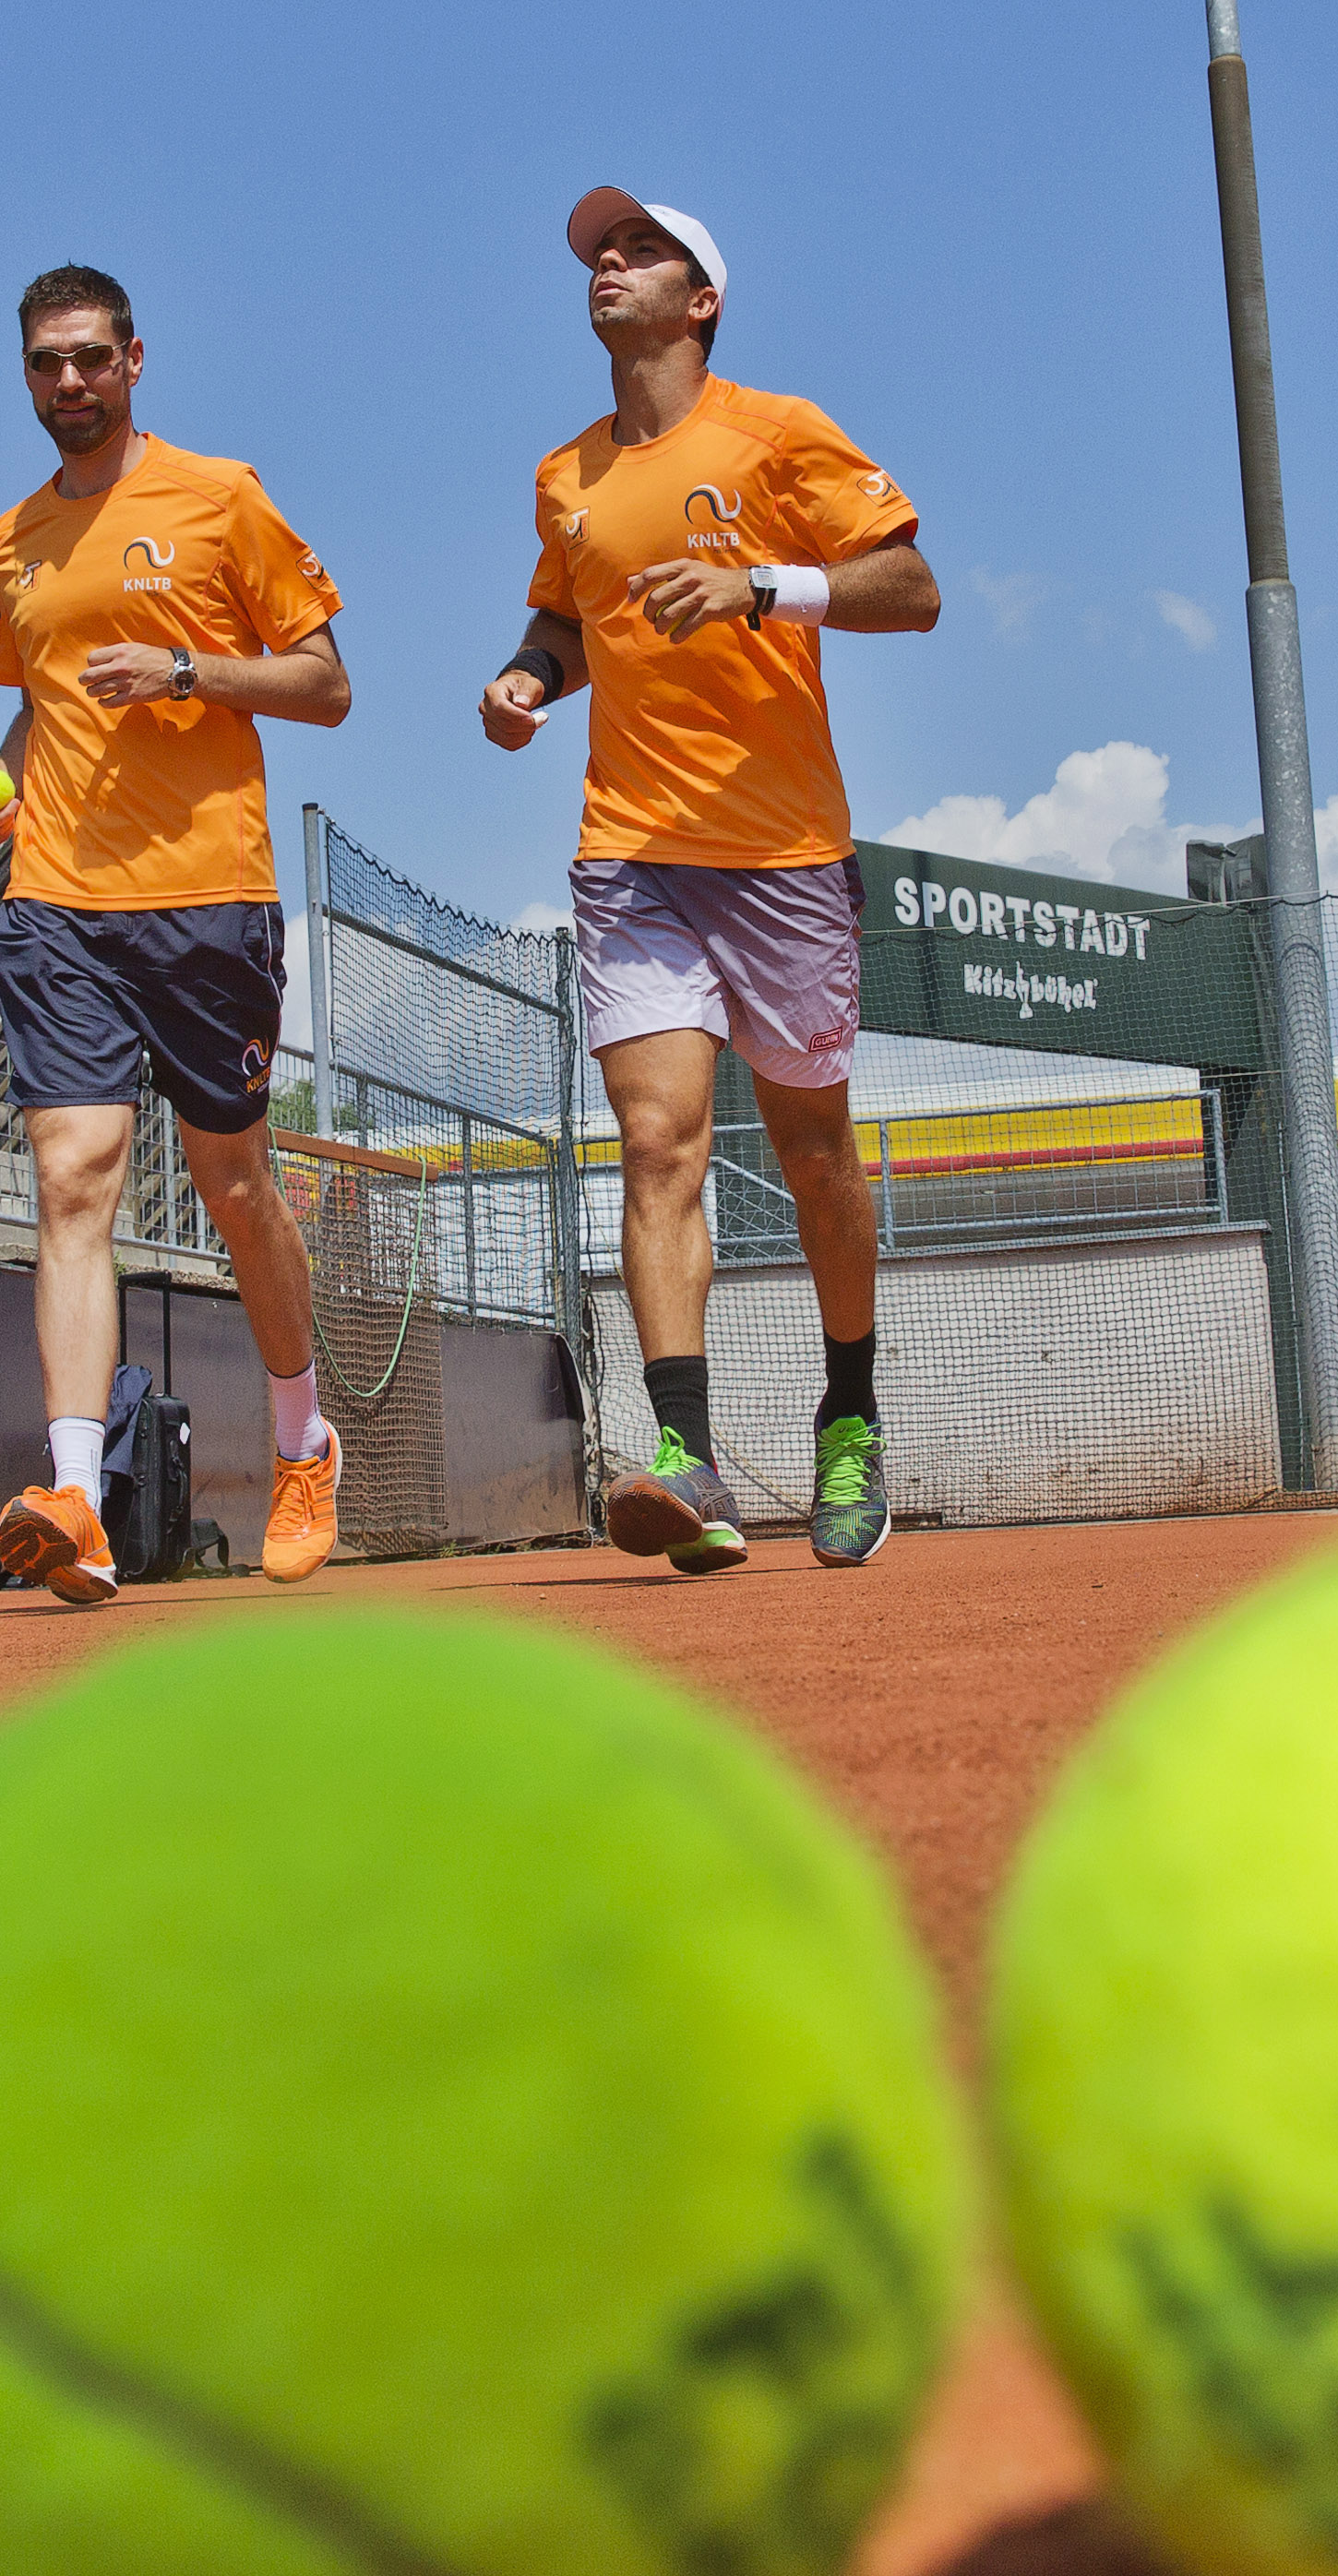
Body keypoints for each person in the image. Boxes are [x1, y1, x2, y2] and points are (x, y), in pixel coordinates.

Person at [479, 189, 940, 1575]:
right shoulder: (565, 474)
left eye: (639, 252)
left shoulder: (778, 431)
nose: (607, 267)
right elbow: (566, 614)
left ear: (703, 299)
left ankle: (848, 1409)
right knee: (659, 1143)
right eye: (594, 256)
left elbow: (907, 587)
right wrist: (526, 678)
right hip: (628, 852)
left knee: (810, 1154)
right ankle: (687, 1457)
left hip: (783, 854)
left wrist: (758, 589)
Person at [0, 264, 354, 1605]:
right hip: (58, 898)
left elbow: (325, 682)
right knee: (74, 1177)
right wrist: (0, 779)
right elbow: (38, 702)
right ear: (24, 377)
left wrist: (187, 669)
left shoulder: (218, 496)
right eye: (42, 364)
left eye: (88, 358)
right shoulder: (13, 538)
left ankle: (304, 1441)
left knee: (234, 1189)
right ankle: (72, 1496)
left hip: (205, 898)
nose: (66, 382)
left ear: (133, 360)